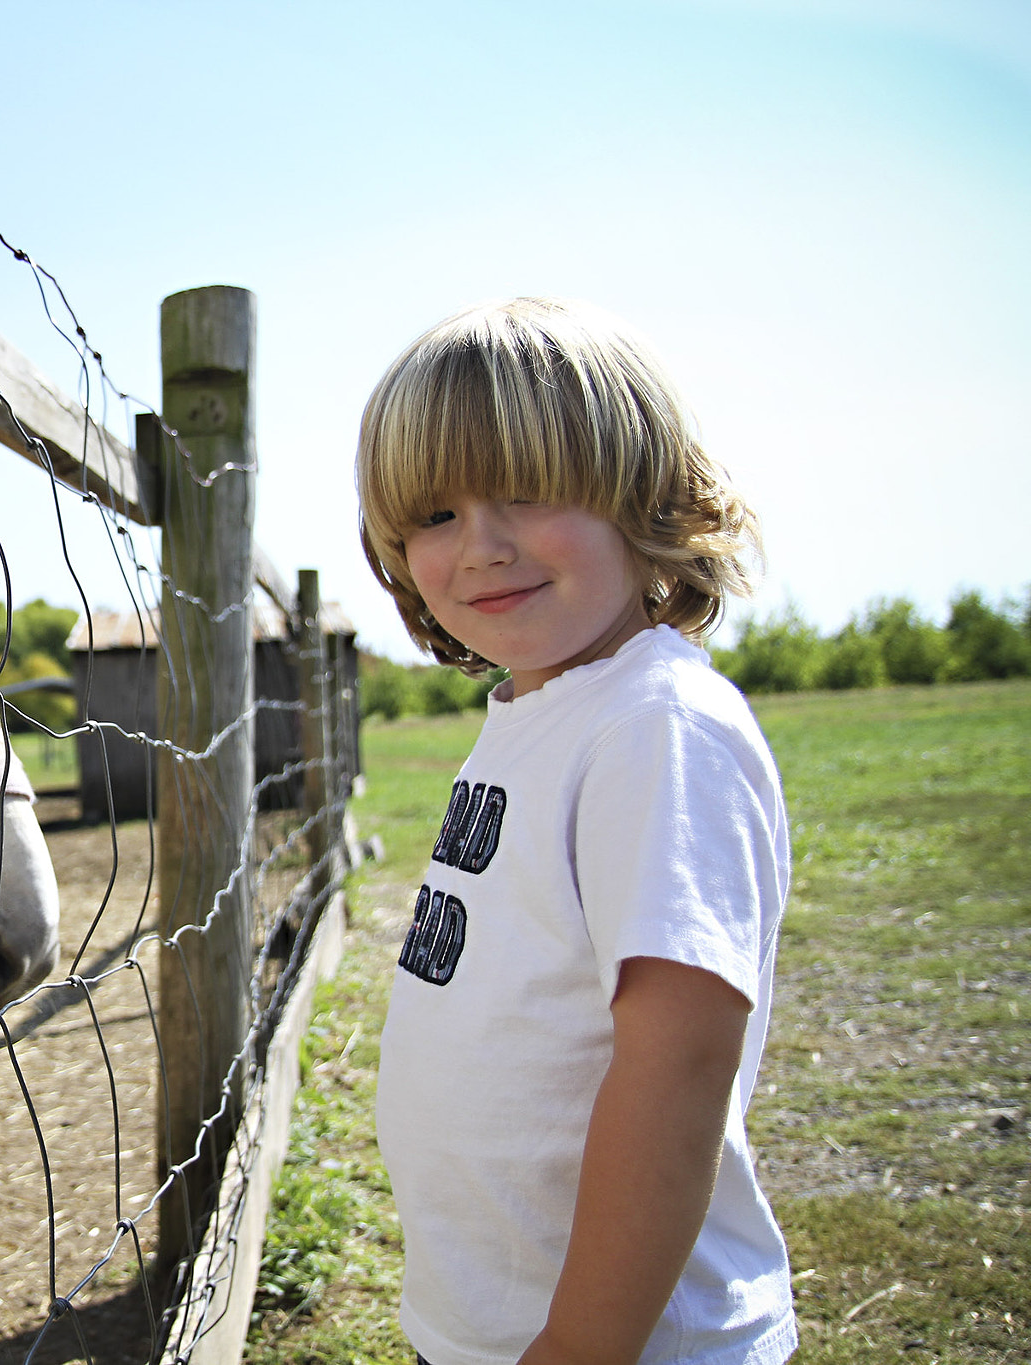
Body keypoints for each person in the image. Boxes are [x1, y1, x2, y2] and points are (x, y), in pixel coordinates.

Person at [356, 297, 797, 1365]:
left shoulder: (652, 729)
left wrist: (579, 1347)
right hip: (490, 1324)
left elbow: (676, 1063)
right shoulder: (538, 709)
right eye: (434, 516)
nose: (480, 548)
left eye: (527, 489)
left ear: (643, 497)